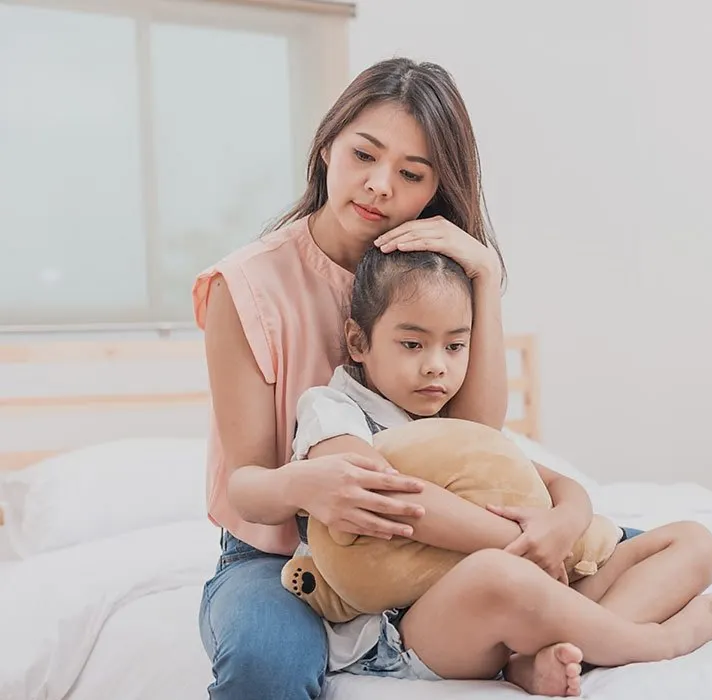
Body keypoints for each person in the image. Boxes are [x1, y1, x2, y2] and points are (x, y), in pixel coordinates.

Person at [288, 245, 712, 697]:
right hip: (413, 627)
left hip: (522, 591)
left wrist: (563, 524)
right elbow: (388, 495)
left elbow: (555, 482)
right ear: (357, 341)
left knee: (694, 543)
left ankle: (551, 652)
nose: (436, 365)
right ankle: (655, 641)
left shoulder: (449, 416)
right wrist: (521, 546)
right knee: (495, 573)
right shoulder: (332, 411)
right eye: (412, 344)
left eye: (455, 346)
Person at [194, 58, 512, 700]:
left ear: (435, 189)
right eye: (363, 155)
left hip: (430, 535)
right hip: (279, 556)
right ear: (325, 149)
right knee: (265, 664)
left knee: (626, 558)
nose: (378, 186)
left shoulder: (439, 276)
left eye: (411, 173)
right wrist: (314, 484)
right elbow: (247, 483)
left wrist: (484, 277)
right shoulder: (248, 286)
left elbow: (477, 436)